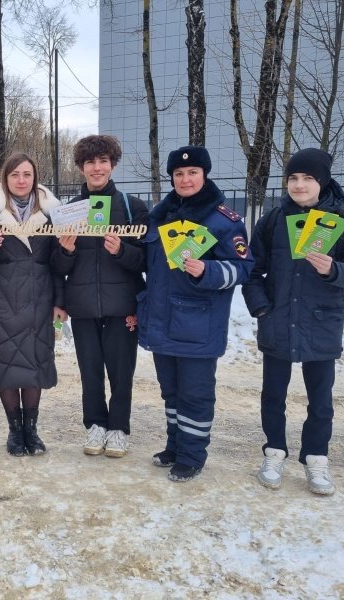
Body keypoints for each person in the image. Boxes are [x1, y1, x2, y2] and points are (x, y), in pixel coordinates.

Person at [242, 148, 344, 495]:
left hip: (321, 323)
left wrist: (333, 269)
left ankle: (316, 458)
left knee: (321, 400)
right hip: (278, 321)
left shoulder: (343, 223)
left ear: (322, 182)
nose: (299, 185)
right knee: (273, 395)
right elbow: (252, 273)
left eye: (308, 178)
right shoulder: (271, 221)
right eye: (294, 178)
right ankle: (274, 452)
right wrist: (261, 310)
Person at [137, 145, 254, 482]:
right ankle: (175, 446)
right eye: (178, 174)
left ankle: (192, 456)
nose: (185, 179)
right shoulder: (161, 216)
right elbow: (150, 265)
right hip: (161, 319)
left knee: (195, 394)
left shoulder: (222, 220)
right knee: (170, 391)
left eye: (192, 173)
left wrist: (208, 271)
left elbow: (243, 268)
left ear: (204, 174)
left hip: (198, 323)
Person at [52, 135, 148, 458]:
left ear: (113, 165)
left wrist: (122, 251)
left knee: (122, 372)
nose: (97, 168)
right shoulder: (68, 211)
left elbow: (147, 260)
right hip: (82, 307)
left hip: (122, 306)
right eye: (90, 162)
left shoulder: (132, 208)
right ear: (81, 167)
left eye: (103, 161)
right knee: (90, 370)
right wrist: (65, 251)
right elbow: (57, 266)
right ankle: (95, 425)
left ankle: (119, 428)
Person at [0, 153, 66, 456]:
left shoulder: (52, 214)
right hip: (0, 301)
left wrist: (60, 301)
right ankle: (14, 431)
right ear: (5, 179)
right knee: (6, 366)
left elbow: (59, 263)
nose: (21, 180)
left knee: (33, 365)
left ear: (35, 177)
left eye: (27, 174)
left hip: (40, 297)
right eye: (15, 175)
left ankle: (31, 431)